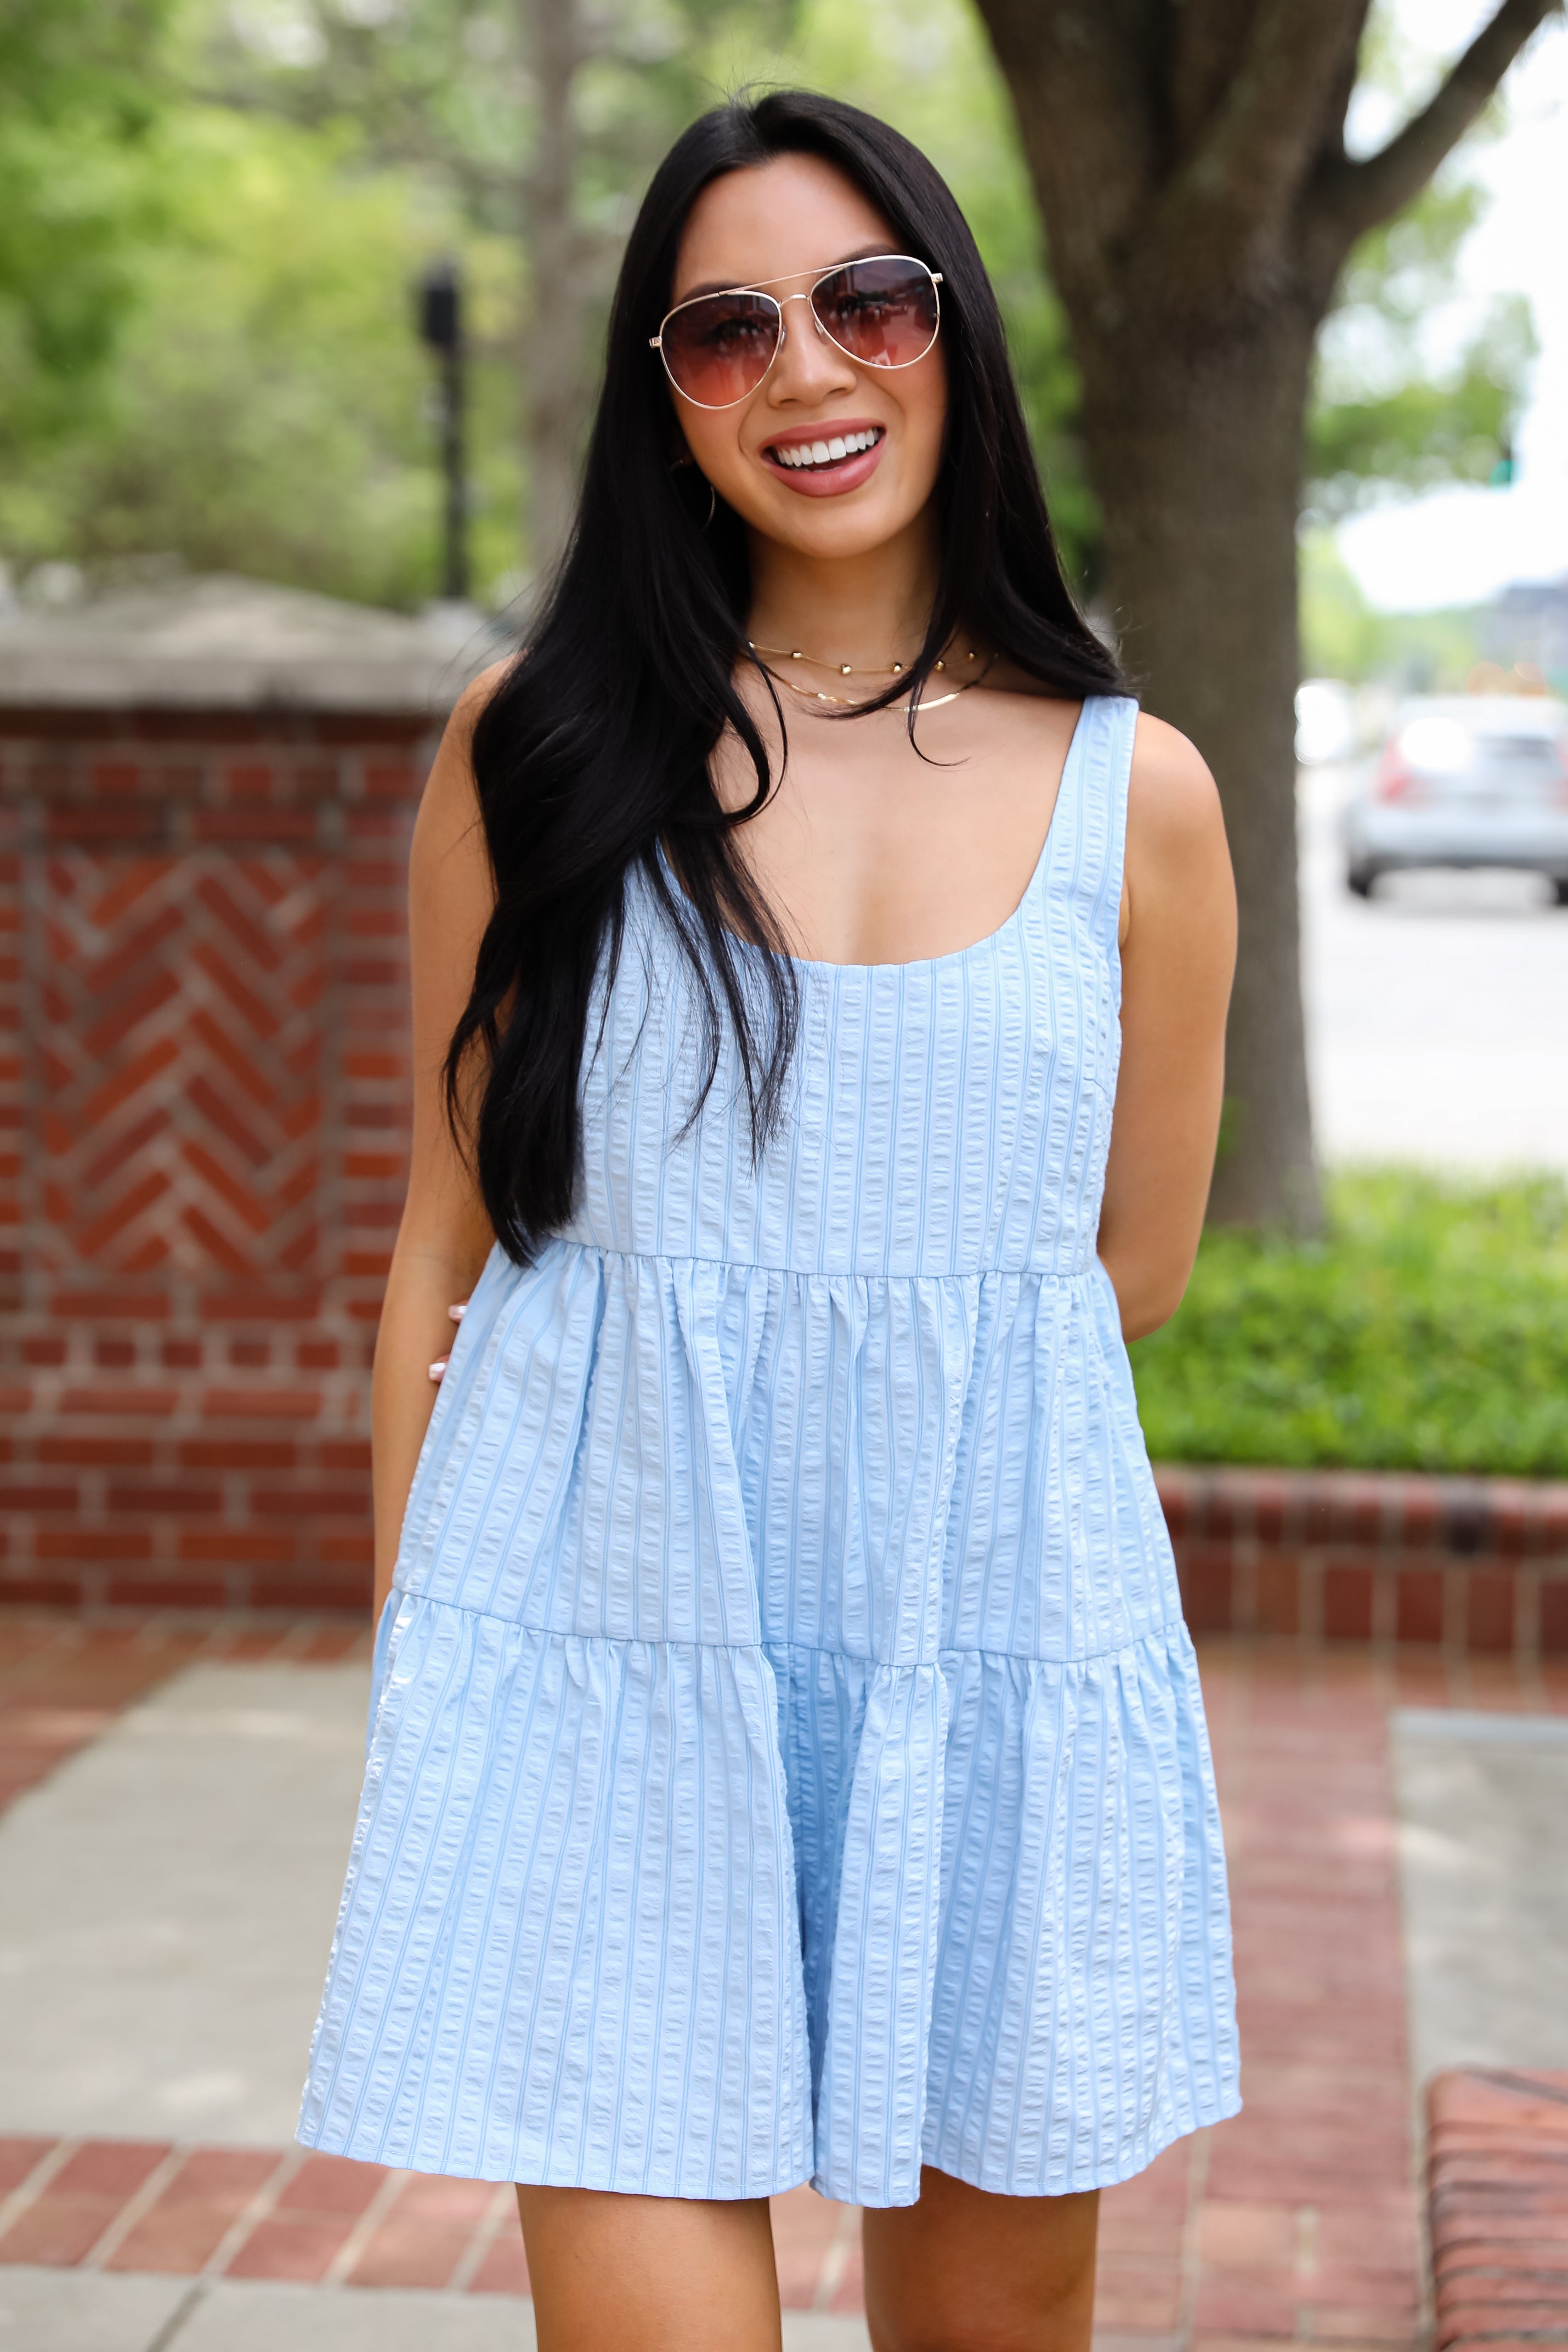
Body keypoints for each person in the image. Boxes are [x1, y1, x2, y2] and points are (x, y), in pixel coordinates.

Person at [299, 88, 1240, 2352]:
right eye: (725, 331)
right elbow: (444, 1244)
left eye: (865, 300)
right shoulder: (534, 748)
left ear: (951, 331)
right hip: (606, 1663)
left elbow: (1117, 1276)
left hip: (987, 1657)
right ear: (665, 398)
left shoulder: (1148, 795)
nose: (807, 371)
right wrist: (444, 1665)